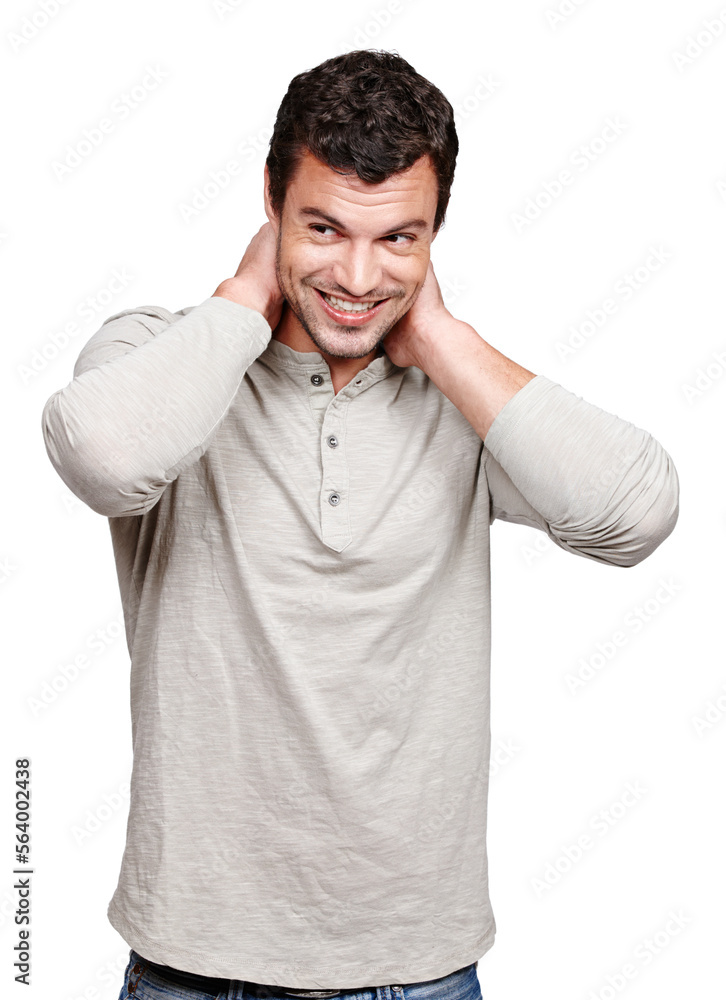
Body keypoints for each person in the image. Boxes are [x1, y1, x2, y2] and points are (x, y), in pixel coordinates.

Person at [41, 49, 679, 1000]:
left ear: (436, 234)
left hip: (415, 970)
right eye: (323, 227)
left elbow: (639, 513)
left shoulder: (461, 398)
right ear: (270, 199)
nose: (354, 273)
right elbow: (102, 458)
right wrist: (248, 298)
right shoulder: (161, 353)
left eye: (396, 240)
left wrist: (443, 342)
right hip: (193, 962)